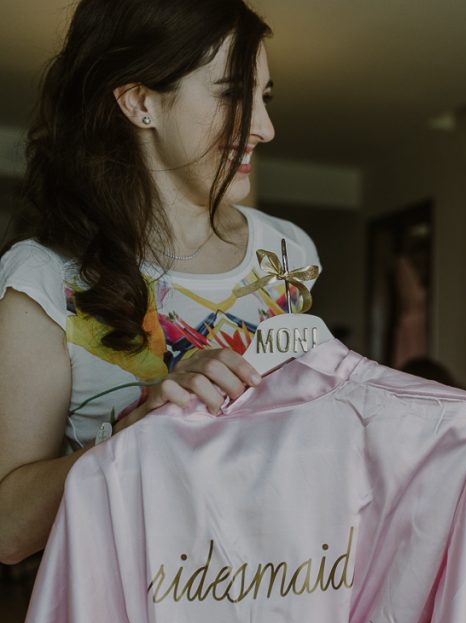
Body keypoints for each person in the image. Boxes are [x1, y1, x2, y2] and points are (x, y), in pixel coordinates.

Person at [0, 0, 319, 566]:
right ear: (140, 102)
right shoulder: (45, 280)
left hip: (284, 609)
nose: (265, 129)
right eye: (231, 94)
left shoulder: (289, 252)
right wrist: (141, 433)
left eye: (263, 98)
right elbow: (7, 531)